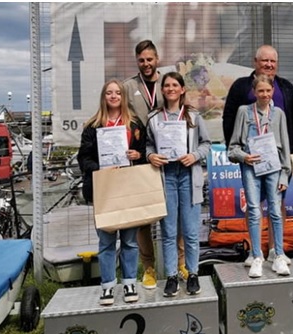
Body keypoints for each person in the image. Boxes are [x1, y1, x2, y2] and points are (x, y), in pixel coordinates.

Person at [222, 44, 293, 266]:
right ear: (256, 62)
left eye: (273, 61)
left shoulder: (286, 87)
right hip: (250, 159)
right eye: (265, 61)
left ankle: (275, 250)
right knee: (253, 205)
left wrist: (290, 158)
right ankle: (254, 251)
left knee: (277, 204)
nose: (269, 65)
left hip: (277, 161)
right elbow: (229, 119)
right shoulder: (240, 86)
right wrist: (238, 152)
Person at [123, 40, 189, 289]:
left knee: (176, 214)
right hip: (142, 158)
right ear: (137, 61)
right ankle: (148, 268)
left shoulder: (168, 83)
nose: (146, 64)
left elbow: (182, 112)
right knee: (144, 218)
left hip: (172, 159)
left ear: (157, 59)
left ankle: (181, 264)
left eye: (150, 59)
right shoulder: (129, 86)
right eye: (141, 60)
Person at [77, 79, 146, 305]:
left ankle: (129, 282)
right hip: (104, 188)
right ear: (103, 96)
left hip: (128, 187)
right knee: (106, 241)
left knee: (129, 241)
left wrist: (138, 155)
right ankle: (107, 285)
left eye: (117, 93)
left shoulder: (134, 124)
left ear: (123, 97)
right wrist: (99, 167)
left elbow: (145, 152)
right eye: (109, 93)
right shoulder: (93, 126)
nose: (114, 96)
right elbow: (83, 158)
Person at [146, 72, 211, 296]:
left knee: (191, 231)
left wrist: (194, 156)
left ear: (182, 89)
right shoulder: (154, 117)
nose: (171, 88)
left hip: (188, 175)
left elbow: (207, 144)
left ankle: (193, 274)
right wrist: (150, 156)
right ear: (162, 90)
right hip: (166, 177)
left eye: (175, 85)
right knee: (169, 231)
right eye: (167, 85)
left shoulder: (193, 115)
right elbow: (148, 145)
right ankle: (171, 276)